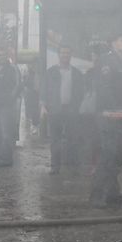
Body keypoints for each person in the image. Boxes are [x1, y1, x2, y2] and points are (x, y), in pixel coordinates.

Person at [89, 33, 122, 207]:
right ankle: (97, 196)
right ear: (113, 43)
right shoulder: (107, 61)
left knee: (116, 156)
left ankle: (113, 194)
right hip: (109, 116)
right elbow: (104, 88)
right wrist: (115, 110)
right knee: (108, 156)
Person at [42, 44, 85, 173]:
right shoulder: (50, 72)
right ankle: (55, 167)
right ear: (58, 55)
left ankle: (72, 166)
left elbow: (81, 92)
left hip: (71, 110)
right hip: (55, 110)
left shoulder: (77, 73)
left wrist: (78, 106)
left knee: (73, 139)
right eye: (62, 53)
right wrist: (43, 106)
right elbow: (44, 90)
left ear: (71, 55)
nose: (65, 55)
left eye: (67, 53)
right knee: (55, 140)